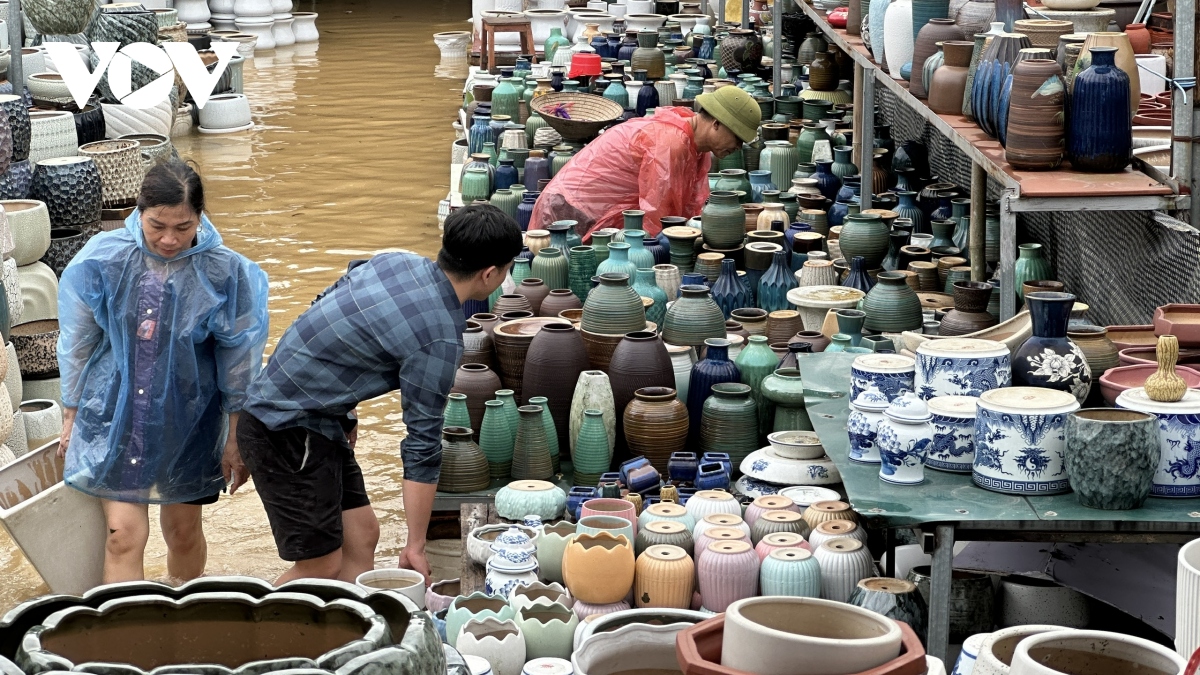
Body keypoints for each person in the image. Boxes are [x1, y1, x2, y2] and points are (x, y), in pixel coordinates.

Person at [238, 204, 523, 583]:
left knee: (362, 536)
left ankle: (340, 635)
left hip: (317, 418)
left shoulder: (396, 260)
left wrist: (345, 413)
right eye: (507, 270)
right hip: (284, 428)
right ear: (490, 274)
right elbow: (422, 445)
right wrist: (415, 544)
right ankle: (249, 629)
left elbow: (326, 304)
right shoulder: (437, 338)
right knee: (320, 564)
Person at [57, 159, 270, 584]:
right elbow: (77, 343)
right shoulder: (102, 260)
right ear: (137, 212)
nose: (170, 239)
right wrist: (72, 412)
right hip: (114, 412)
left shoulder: (227, 273)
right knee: (123, 534)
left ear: (200, 217)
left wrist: (235, 436)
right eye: (157, 226)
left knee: (183, 531)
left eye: (183, 226)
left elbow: (241, 363)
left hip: (187, 418)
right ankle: (125, 636)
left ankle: (181, 616)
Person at [529, 85, 762, 240]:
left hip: (581, 205)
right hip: (569, 208)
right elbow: (657, 219)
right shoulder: (670, 142)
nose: (738, 148)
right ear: (716, 124)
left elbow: (688, 209)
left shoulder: (693, 143)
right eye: (737, 138)